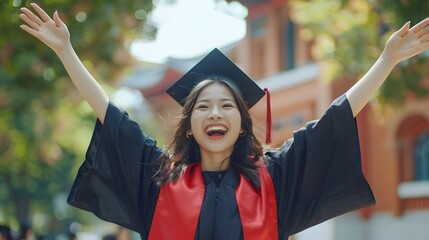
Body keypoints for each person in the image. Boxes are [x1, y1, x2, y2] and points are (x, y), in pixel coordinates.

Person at [19, 3, 429, 240]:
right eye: (203, 107)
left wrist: (386, 60)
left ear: (241, 123)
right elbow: (112, 117)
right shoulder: (159, 180)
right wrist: (66, 52)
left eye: (227, 106)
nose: (215, 113)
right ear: (190, 124)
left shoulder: (273, 180)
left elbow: (334, 118)